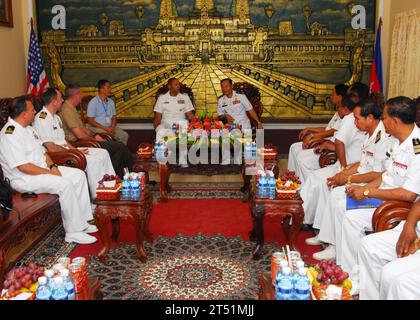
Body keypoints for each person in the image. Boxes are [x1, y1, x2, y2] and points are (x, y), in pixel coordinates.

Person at [304, 98, 395, 261]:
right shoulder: (371, 135)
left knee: (339, 197)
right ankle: (325, 236)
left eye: (357, 118)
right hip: (366, 180)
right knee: (330, 185)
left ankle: (335, 246)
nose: (354, 123)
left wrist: (349, 178)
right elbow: (363, 162)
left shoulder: (385, 139)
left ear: (369, 119)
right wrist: (344, 172)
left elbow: (377, 173)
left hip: (373, 185)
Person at [0, 96, 97, 244]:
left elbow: (43, 152)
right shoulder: (10, 134)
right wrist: (50, 172)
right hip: (23, 178)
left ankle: (82, 222)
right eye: (32, 110)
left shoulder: (29, 129)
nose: (35, 112)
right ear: (24, 114)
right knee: (64, 184)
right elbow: (23, 166)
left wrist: (53, 166)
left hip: (42, 170)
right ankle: (73, 232)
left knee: (78, 175)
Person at [340, 96, 420, 275]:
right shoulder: (395, 140)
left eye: (384, 118)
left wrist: (369, 191)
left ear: (395, 121)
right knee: (346, 208)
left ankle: (354, 274)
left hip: (398, 205)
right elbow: (385, 174)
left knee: (351, 219)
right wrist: (364, 188)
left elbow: (409, 195)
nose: (382, 122)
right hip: (382, 195)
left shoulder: (417, 148)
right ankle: (350, 272)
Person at [33, 88, 115, 199]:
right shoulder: (42, 118)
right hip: (59, 155)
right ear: (54, 102)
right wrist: (73, 151)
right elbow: (50, 147)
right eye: (60, 98)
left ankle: (111, 187)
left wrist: (76, 149)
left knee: (103, 153)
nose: (62, 100)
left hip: (68, 151)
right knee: (94, 161)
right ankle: (99, 197)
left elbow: (63, 140)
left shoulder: (56, 117)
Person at [59, 84, 134, 178]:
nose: (82, 96)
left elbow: (84, 129)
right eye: (81, 93)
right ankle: (119, 176)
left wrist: (95, 135)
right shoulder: (66, 110)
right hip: (78, 143)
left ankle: (124, 175)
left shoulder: (72, 108)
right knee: (119, 146)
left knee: (118, 146)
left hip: (85, 140)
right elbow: (79, 135)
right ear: (76, 95)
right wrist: (95, 140)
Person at [358, 199, 420, 300]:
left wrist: (416, 244)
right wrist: (408, 225)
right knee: (369, 246)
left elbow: (408, 195)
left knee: (402, 284)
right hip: (416, 228)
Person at [296, 95, 364, 184]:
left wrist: (343, 168)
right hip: (344, 160)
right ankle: (300, 186)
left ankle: (302, 188)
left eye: (339, 107)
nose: (355, 122)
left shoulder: (350, 118)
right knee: (303, 159)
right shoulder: (349, 118)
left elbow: (339, 142)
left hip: (346, 163)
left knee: (306, 165)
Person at [288, 84, 348, 173]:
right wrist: (309, 129)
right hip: (326, 142)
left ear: (340, 96)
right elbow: (328, 129)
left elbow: (331, 132)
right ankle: (292, 177)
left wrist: (312, 136)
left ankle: (303, 184)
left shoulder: (345, 115)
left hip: (327, 144)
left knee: (301, 157)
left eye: (333, 93)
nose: (331, 95)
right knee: (294, 147)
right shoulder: (339, 112)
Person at [153, 78, 195, 167]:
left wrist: (195, 125)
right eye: (176, 85)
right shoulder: (162, 98)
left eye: (178, 84)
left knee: (183, 126)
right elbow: (157, 116)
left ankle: (182, 160)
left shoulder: (185, 97)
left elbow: (190, 115)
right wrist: (156, 127)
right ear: (169, 86)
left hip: (181, 123)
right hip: (166, 124)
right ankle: (162, 161)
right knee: (160, 131)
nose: (178, 86)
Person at [86, 79, 129, 145]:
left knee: (124, 135)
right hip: (97, 128)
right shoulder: (93, 102)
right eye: (108, 87)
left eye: (110, 87)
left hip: (110, 127)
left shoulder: (111, 102)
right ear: (101, 89)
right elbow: (90, 121)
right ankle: (109, 154)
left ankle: (120, 154)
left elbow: (114, 117)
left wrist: (112, 127)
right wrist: (106, 129)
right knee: (107, 136)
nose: (110, 89)